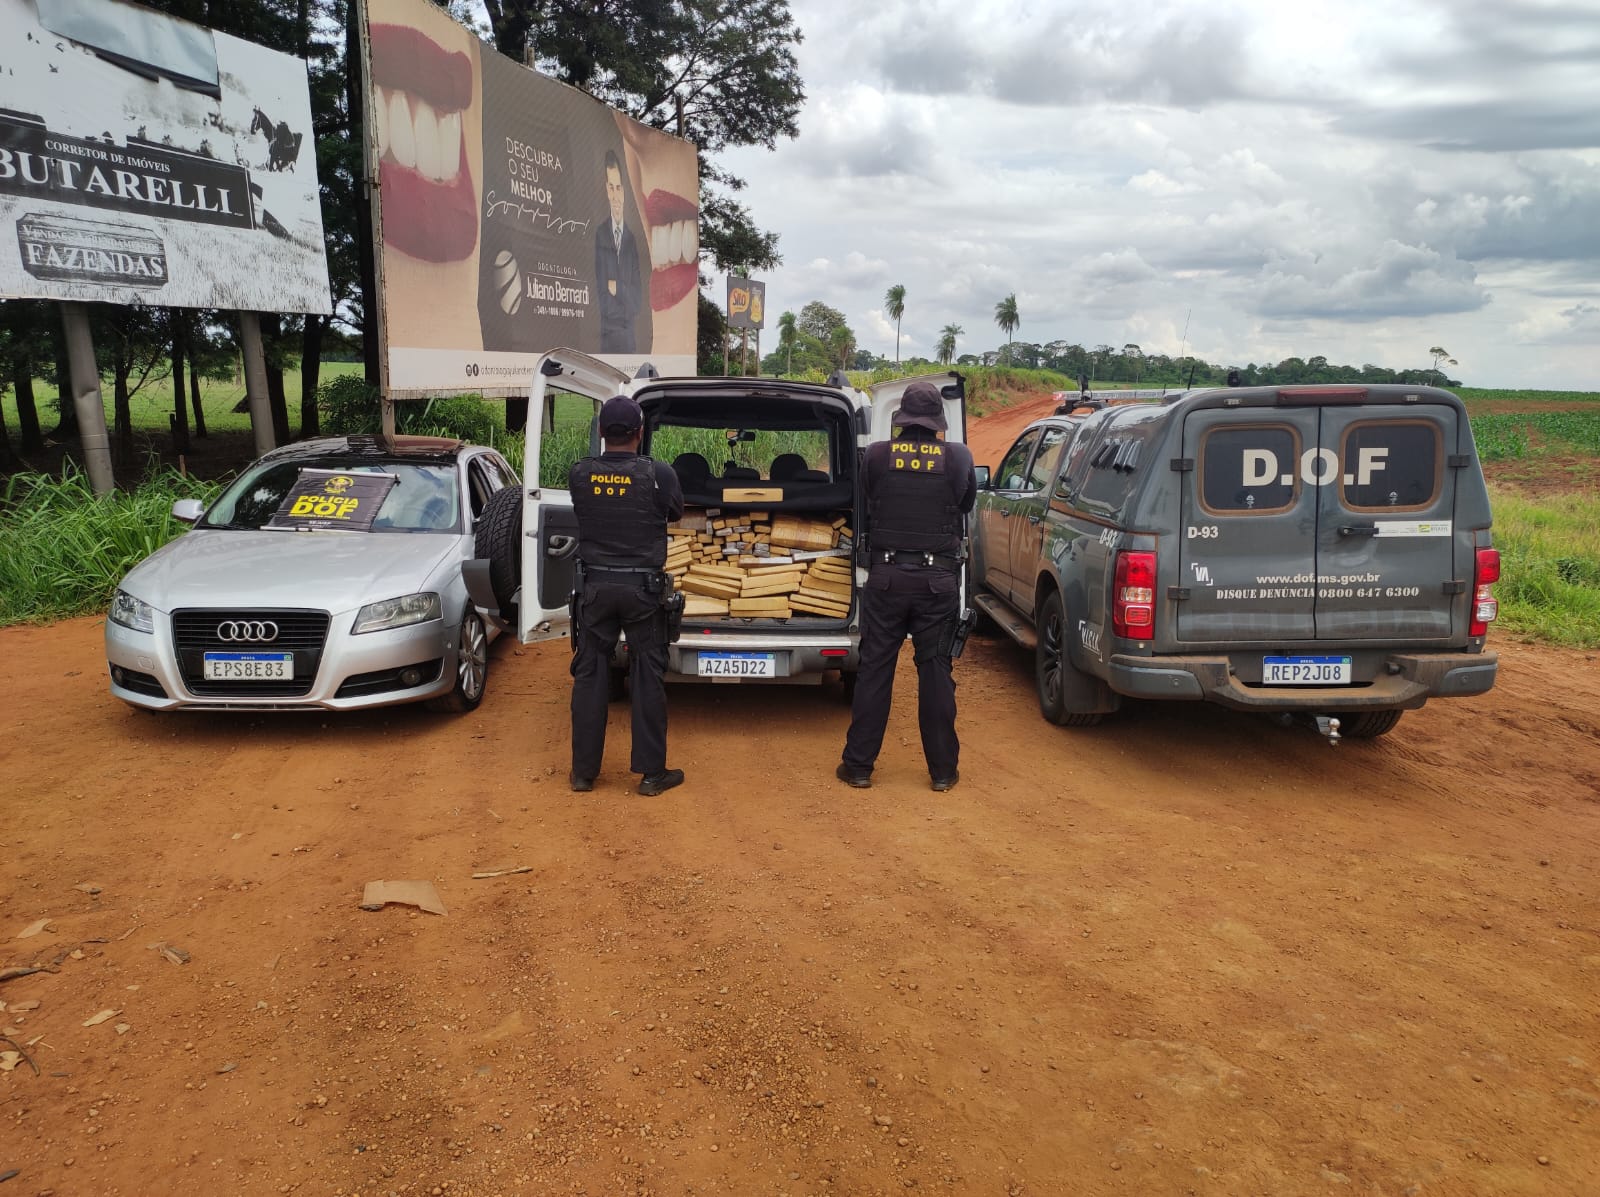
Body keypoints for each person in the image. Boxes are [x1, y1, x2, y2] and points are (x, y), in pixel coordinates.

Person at [837, 381, 978, 791]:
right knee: (935, 672)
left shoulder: (878, 455)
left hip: (886, 579)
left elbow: (868, 498)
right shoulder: (958, 457)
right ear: (937, 422)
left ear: (901, 420)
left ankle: (859, 765)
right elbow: (965, 505)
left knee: (875, 670)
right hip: (937, 583)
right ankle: (942, 772)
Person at [568, 395, 685, 795]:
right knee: (647, 678)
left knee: (590, 676)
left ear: (601, 432)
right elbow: (674, 513)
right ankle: (652, 774)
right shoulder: (659, 474)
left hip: (596, 590)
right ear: (639, 433)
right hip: (642, 591)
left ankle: (584, 773)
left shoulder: (579, 473)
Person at [595, 149, 642, 353]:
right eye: (611, 188)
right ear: (607, 190)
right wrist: (626, 302)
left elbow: (637, 301)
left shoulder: (631, 240)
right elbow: (602, 298)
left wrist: (618, 288)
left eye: (619, 188)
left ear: (624, 191)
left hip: (629, 344)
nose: (615, 196)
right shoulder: (600, 235)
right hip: (607, 342)